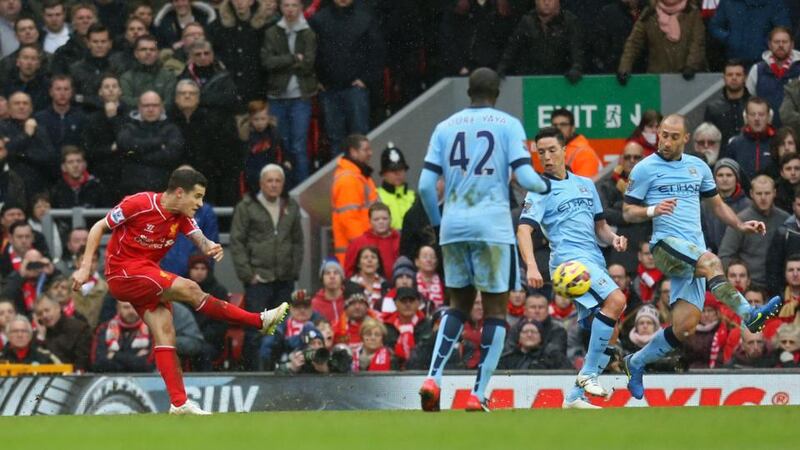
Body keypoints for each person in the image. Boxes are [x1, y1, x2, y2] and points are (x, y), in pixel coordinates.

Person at [70, 168, 290, 415]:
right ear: (178, 192)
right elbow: (98, 227)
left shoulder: (182, 217)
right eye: (196, 197)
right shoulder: (139, 203)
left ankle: (178, 402)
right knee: (190, 288)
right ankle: (258, 321)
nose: (200, 203)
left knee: (165, 331)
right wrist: (85, 268)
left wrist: (211, 246)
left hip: (145, 275)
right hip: (123, 273)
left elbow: (200, 238)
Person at [621, 114, 784, 400]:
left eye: (674, 136)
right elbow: (627, 211)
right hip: (665, 246)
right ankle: (750, 316)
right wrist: (652, 210)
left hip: (692, 251)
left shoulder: (698, 167)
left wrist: (739, 224)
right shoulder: (645, 169)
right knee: (712, 262)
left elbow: (716, 203)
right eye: (663, 134)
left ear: (686, 138)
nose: (667, 141)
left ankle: (634, 363)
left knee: (685, 327)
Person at [417, 67, 550, 412]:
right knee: (495, 312)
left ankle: (433, 377)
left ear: (468, 92)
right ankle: (477, 395)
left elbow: (425, 187)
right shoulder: (508, 125)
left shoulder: (444, 128)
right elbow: (524, 176)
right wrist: (545, 185)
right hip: (493, 227)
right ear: (497, 93)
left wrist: (437, 223)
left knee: (457, 306)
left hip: (454, 227)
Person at [518, 126, 629, 408]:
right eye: (541, 152)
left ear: (564, 150)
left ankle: (574, 398)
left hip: (594, 260)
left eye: (552, 150)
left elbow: (600, 228)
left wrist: (614, 238)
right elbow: (523, 231)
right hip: (569, 265)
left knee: (608, 334)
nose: (547, 156)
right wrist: (531, 265)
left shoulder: (585, 184)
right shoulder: (539, 190)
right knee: (617, 300)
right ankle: (589, 375)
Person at [230, 163, 302, 368]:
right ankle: (253, 373)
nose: (273, 185)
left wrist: (293, 271)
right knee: (255, 331)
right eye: (269, 180)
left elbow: (298, 241)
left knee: (281, 329)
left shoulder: (291, 206)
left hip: (284, 280)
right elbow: (237, 242)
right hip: (258, 281)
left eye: (278, 180)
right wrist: (248, 275)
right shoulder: (246, 207)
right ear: (261, 183)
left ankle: (279, 372)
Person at [310, 0, 383, 155]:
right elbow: (311, 52)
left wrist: (365, 79)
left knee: (359, 138)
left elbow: (376, 52)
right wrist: (317, 80)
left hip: (355, 88)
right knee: (335, 138)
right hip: (329, 89)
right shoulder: (319, 19)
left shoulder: (365, 17)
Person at [261, 0, 316, 185]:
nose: (290, 10)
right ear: (280, 8)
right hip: (277, 96)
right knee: (280, 146)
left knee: (299, 146)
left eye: (294, 5)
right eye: (286, 5)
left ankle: (302, 187)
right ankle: (282, 188)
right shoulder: (271, 32)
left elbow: (308, 63)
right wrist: (293, 58)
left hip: (300, 97)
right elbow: (268, 62)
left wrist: (282, 62)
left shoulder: (308, 33)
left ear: (300, 8)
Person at [719, 175, 789, 286]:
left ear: (774, 193)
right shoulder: (741, 221)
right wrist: (738, 282)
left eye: (767, 193)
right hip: (748, 286)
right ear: (751, 194)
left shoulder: (784, 219)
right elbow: (725, 255)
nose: (763, 198)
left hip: (778, 283)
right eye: (759, 193)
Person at [115, 91, 184, 196]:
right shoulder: (128, 126)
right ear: (139, 107)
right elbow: (124, 147)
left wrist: (137, 155)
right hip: (132, 191)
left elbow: (172, 155)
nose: (150, 109)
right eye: (146, 105)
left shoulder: (172, 128)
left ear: (161, 107)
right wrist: (158, 143)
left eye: (155, 105)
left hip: (164, 192)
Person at [616, 0, 706, 80]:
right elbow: (634, 42)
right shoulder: (650, 13)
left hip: (690, 80)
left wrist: (691, 66)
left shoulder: (692, 12)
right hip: (657, 78)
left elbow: (698, 42)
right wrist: (625, 67)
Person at [497, 0, 583, 82]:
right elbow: (511, 50)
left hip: (561, 79)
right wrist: (501, 69)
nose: (546, 2)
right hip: (532, 80)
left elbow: (576, 50)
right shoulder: (527, 21)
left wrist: (576, 67)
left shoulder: (569, 21)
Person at [596, 140, 649, 273]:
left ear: (644, 160)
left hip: (647, 245)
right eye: (627, 157)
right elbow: (604, 213)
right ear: (621, 159)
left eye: (636, 157)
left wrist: (618, 207)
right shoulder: (607, 185)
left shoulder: (653, 184)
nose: (632, 160)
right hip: (620, 250)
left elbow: (655, 210)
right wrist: (633, 213)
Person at [214, 0, 276, 103]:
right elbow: (214, 52)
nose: (239, 2)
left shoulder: (265, 26)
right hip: (229, 90)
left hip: (258, 88)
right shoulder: (219, 25)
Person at [331, 134, 377, 265]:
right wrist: (367, 249)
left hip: (359, 253)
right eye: (366, 149)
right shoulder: (349, 180)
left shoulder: (359, 176)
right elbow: (350, 220)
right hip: (355, 256)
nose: (370, 153)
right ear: (353, 152)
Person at [744, 27, 800, 128]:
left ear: (792, 44)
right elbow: (749, 100)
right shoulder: (757, 70)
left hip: (795, 132)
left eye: (784, 42)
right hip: (765, 133)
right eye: (777, 42)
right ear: (770, 45)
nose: (781, 45)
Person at [709, 0, 790, 65]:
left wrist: (766, 44)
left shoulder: (774, 3)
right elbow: (715, 26)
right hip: (735, 61)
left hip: (766, 61)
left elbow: (783, 30)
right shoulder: (728, 2)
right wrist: (730, 39)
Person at [701, 158, 750, 254]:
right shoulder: (704, 205)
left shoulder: (748, 205)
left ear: (737, 178)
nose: (724, 179)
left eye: (729, 175)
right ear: (714, 179)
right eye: (720, 175)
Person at [92, 301, 155, 372]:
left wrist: (114, 355)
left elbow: (149, 365)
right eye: (126, 307)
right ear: (118, 308)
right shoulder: (104, 329)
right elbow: (97, 364)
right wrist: (134, 359)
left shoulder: (152, 330)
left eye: (135, 307)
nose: (131, 311)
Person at [34, 294, 91, 370]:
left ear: (57, 308)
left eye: (47, 310)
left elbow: (82, 363)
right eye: (40, 313)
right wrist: (41, 338)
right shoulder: (39, 334)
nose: (44, 315)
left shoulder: (79, 328)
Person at [344, 202, 399, 280]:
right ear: (370, 221)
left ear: (390, 219)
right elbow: (348, 271)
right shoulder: (358, 243)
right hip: (365, 288)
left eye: (384, 218)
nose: (381, 222)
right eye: (376, 219)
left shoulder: (400, 241)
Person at [120, 35, 178, 108]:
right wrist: (154, 103)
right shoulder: (126, 77)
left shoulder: (168, 76)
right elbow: (126, 101)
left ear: (157, 53)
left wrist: (143, 103)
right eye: (143, 49)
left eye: (152, 49)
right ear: (136, 54)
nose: (148, 52)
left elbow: (169, 102)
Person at [703, 60, 749, 153]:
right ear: (724, 77)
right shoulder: (713, 108)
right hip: (721, 157)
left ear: (745, 77)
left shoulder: (753, 106)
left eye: (738, 75)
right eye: (730, 74)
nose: (734, 78)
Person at [726, 96, 776, 180]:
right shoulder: (735, 144)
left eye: (761, 114)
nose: (757, 118)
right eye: (752, 114)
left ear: (768, 117)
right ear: (746, 117)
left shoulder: (778, 142)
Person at [498, 319, 571, 370]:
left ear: (541, 337)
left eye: (533, 331)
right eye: (525, 332)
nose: (529, 335)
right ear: (519, 337)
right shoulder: (506, 359)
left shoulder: (554, 358)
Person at [550, 108, 602, 179]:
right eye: (555, 125)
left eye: (563, 124)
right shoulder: (556, 150)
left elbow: (583, 187)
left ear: (573, 128)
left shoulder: (584, 153)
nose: (558, 128)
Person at [377, 143, 415, 231]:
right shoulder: (376, 197)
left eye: (401, 169)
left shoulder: (414, 197)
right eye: (393, 170)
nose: (398, 173)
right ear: (384, 173)